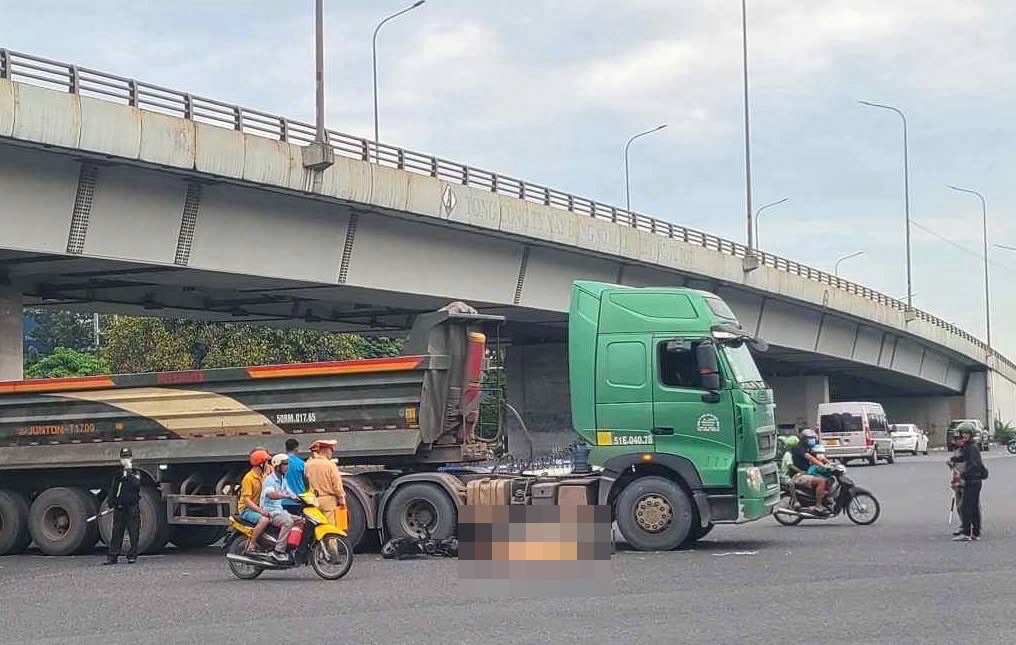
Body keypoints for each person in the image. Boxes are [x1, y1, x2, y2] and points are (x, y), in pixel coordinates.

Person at [104, 447, 142, 565]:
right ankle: (113, 556)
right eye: (123, 458)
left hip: (132, 507)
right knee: (116, 532)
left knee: (133, 532)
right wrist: (111, 502)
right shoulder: (117, 474)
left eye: (127, 457)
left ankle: (132, 555)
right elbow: (113, 489)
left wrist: (129, 472)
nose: (125, 460)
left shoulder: (136, 472)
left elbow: (137, 485)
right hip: (120, 507)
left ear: (131, 458)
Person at [949, 422, 986, 541]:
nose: (964, 436)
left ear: (971, 434)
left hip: (973, 480)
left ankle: (966, 533)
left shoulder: (972, 448)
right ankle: (975, 532)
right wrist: (954, 459)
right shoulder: (968, 447)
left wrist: (962, 475)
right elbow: (964, 458)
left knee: (967, 507)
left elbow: (974, 465)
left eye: (966, 433)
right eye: (962, 433)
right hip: (973, 479)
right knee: (973, 507)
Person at [261, 453, 301, 562]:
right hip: (270, 512)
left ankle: (292, 547)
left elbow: (290, 493)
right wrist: (284, 495)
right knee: (288, 522)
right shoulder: (270, 480)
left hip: (280, 511)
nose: (287, 466)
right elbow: (270, 494)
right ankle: (278, 551)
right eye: (285, 464)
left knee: (301, 521)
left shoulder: (283, 480)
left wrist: (302, 498)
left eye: (287, 464)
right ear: (277, 466)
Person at [304, 439, 347, 528]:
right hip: (328, 501)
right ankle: (331, 542)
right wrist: (342, 500)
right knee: (330, 530)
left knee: (317, 528)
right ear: (327, 451)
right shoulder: (330, 465)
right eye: (331, 450)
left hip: (314, 500)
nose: (331, 453)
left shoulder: (308, 465)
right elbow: (337, 486)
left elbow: (306, 482)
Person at [238, 448, 272, 554]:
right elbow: (247, 500)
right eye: (266, 462)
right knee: (264, 520)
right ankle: (251, 544)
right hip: (247, 510)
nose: (268, 464)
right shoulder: (249, 478)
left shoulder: (264, 475)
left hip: (260, 507)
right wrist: (260, 511)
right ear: (261, 464)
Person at [790, 429, 830, 513]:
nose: (812, 440)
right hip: (800, 475)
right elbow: (811, 458)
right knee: (821, 481)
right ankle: (818, 506)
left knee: (829, 479)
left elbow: (819, 457)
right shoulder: (799, 448)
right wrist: (822, 465)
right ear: (804, 439)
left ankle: (823, 499)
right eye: (810, 438)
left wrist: (830, 464)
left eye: (813, 438)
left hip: (808, 473)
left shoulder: (810, 448)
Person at [282, 438, 307, 516]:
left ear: (285, 448)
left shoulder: (280, 463)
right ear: (296, 448)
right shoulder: (302, 464)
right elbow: (306, 481)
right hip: (299, 499)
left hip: (283, 500)